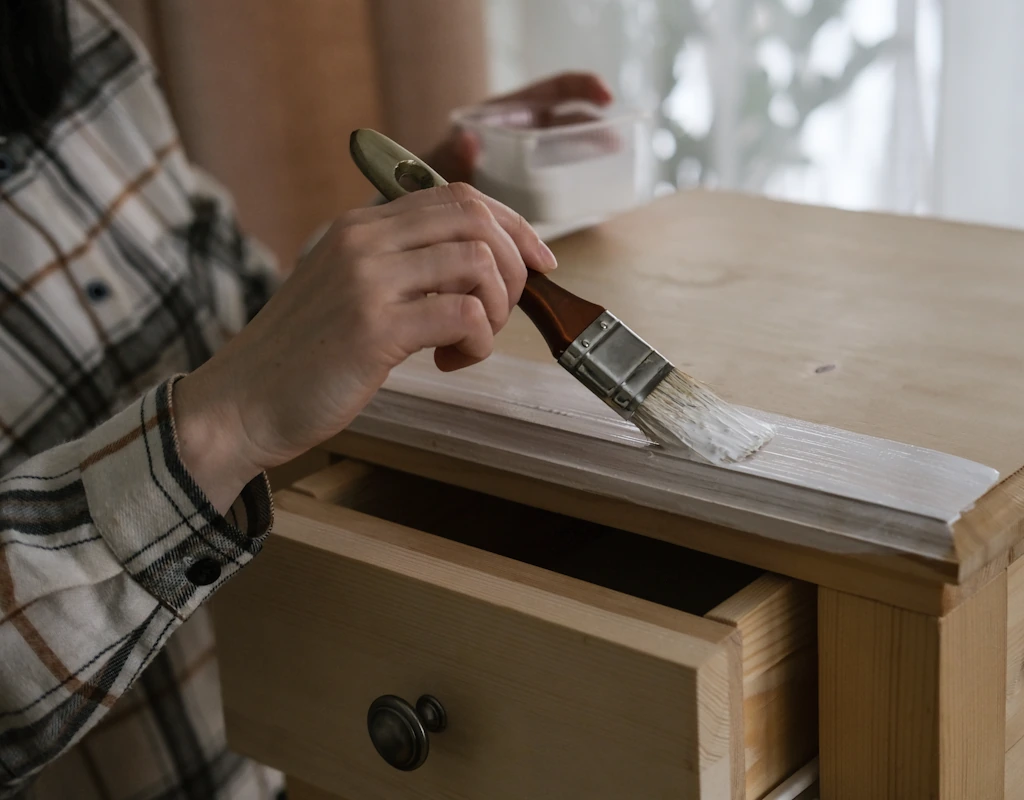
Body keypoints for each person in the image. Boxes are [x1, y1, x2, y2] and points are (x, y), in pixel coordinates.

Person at [0, 1, 612, 797]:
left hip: (304, 751)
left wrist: (421, 236)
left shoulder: (69, 32)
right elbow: (239, 393)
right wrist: (224, 422)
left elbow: (245, 335)